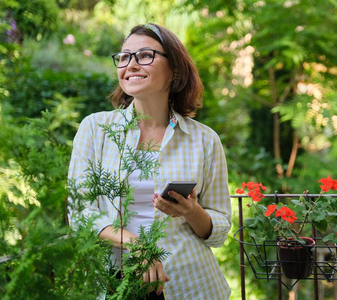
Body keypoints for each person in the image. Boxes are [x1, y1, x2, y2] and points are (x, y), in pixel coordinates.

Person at [67, 23, 231, 299]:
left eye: (144, 55)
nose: (130, 64)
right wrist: (139, 245)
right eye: (124, 56)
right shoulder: (95, 129)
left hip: (189, 283)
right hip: (111, 284)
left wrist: (191, 211)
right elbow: (80, 214)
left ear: (175, 70)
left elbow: (219, 229)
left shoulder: (204, 139)